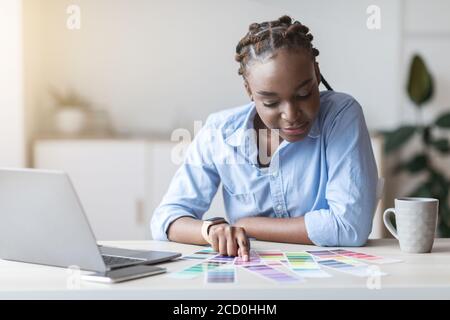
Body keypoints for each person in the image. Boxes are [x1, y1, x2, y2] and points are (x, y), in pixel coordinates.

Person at [151, 15, 378, 261]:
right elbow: (165, 220)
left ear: (316, 72)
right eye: (270, 102)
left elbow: (349, 227)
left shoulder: (341, 115)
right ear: (249, 91)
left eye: (304, 94)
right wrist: (212, 230)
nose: (291, 115)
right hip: (251, 280)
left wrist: (247, 225)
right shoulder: (219, 132)